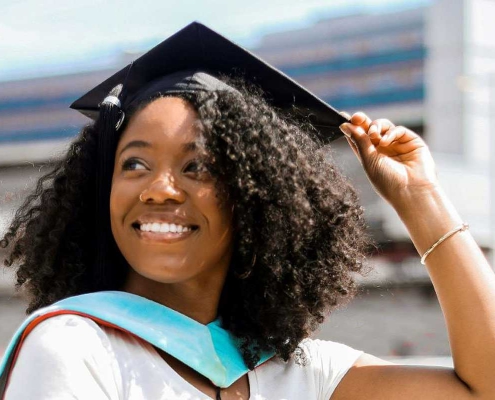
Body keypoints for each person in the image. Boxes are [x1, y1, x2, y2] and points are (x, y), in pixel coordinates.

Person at [1, 22, 495, 400]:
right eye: (134, 163)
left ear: (258, 199)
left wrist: (421, 197)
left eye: (199, 166)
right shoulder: (74, 347)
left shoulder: (300, 373)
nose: (158, 189)